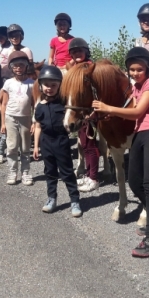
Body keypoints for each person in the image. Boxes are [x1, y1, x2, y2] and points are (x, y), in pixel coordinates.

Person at [91, 46, 149, 258]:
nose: (135, 73)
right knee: (134, 181)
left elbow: (138, 111)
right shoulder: (136, 87)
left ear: (148, 69)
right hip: (141, 133)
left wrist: (108, 108)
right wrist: (111, 116)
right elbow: (131, 113)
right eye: (131, 70)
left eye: (139, 69)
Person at [33, 65, 82, 217]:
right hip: (46, 142)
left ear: (60, 85)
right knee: (50, 172)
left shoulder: (64, 104)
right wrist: (36, 146)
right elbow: (38, 126)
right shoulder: (39, 107)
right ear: (41, 85)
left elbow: (74, 117)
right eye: (46, 84)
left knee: (67, 172)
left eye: (54, 85)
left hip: (61, 141)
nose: (50, 88)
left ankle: (75, 201)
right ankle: (51, 198)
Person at [65, 38, 100, 192]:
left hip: (90, 113)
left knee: (90, 145)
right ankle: (87, 174)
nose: (76, 53)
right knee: (84, 144)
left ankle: (94, 178)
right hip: (80, 113)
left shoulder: (91, 67)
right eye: (73, 52)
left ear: (86, 51)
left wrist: (92, 113)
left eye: (79, 50)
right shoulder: (74, 69)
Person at [0, 51, 35, 185]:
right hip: (10, 117)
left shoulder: (32, 83)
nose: (18, 68)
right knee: (12, 146)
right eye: (15, 65)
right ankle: (13, 171)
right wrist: (3, 123)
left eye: (21, 65)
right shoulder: (8, 83)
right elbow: (4, 103)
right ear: (11, 67)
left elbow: (34, 105)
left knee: (25, 147)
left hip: (25, 118)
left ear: (26, 66)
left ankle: (25, 172)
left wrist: (34, 122)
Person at [0, 26, 12, 162]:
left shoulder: (11, 49)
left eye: (1, 36)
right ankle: (1, 130)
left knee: (8, 106)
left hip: (7, 78)